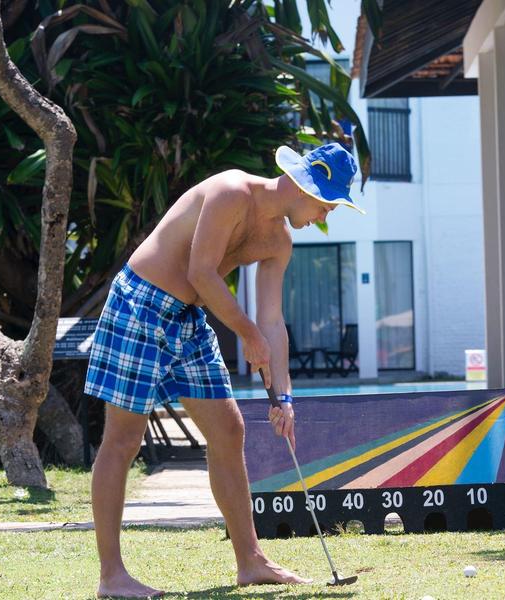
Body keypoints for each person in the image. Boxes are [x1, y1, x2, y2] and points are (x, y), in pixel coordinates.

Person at [83, 142, 364, 598]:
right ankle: (111, 577)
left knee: (229, 430)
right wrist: (247, 332)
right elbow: (201, 272)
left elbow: (272, 321)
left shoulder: (280, 242)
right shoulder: (232, 191)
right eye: (325, 204)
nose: (324, 217)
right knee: (123, 438)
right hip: (143, 303)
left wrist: (285, 395)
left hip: (191, 319)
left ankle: (250, 561)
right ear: (302, 185)